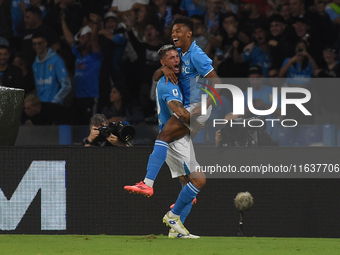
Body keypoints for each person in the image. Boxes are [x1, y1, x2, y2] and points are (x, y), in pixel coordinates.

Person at [124, 16, 219, 198]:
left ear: (189, 34)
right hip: (190, 106)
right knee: (187, 175)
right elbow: (155, 75)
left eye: (178, 31)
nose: (174, 34)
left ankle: (147, 184)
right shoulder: (178, 53)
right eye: (173, 31)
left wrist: (204, 107)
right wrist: (163, 70)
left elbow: (218, 83)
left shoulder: (197, 54)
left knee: (164, 136)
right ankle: (179, 209)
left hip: (197, 106)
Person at [129, 45, 204, 238]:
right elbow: (179, 111)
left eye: (176, 56)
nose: (176, 60)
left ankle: (176, 230)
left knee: (188, 185)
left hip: (178, 138)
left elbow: (157, 74)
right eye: (170, 58)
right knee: (198, 181)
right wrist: (199, 120)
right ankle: (171, 213)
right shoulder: (168, 84)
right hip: (174, 140)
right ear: (163, 62)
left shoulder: (171, 76)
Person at [62, 13, 102, 124]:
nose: (80, 40)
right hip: (77, 97)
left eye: (83, 37)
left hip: (90, 98)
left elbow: (94, 39)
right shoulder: (78, 54)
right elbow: (69, 39)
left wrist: (95, 24)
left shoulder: (95, 55)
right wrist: (63, 21)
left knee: (91, 127)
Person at [32, 32, 71, 104]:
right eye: (34, 44)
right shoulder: (35, 64)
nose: (37, 46)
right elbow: (38, 88)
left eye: (39, 43)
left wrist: (55, 101)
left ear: (45, 43)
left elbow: (67, 85)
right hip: (40, 106)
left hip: (54, 106)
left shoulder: (56, 60)